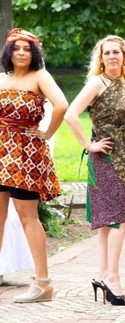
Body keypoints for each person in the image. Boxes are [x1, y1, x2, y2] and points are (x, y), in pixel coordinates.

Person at [64, 35, 125, 306]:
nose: (112, 56)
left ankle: (103, 275)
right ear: (101, 59)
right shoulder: (97, 83)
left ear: (124, 57)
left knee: (108, 222)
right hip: (106, 158)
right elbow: (70, 114)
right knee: (121, 220)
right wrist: (88, 145)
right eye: (107, 53)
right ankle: (113, 279)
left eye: (116, 52)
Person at [0, 28, 68, 302]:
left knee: (28, 216)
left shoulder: (40, 76)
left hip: (26, 154)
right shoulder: (2, 79)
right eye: (16, 48)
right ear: (8, 52)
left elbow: (61, 105)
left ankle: (43, 283)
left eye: (27, 49)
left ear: (34, 53)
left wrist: (47, 134)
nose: (21, 53)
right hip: (1, 150)